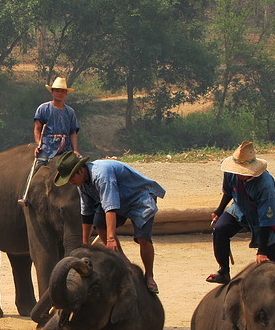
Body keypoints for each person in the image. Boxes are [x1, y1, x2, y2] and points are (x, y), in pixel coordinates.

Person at [54, 151, 166, 294]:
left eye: (71, 178)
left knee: (143, 238)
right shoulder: (81, 184)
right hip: (117, 199)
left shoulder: (102, 175)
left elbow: (110, 206)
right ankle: (126, 265)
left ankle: (149, 276)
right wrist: (84, 243)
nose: (71, 182)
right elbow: (87, 212)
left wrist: (111, 238)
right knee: (99, 224)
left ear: (81, 170)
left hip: (138, 197)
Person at [206, 141, 275, 284]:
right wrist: (219, 211)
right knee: (220, 230)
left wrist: (262, 251)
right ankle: (223, 271)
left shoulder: (265, 185)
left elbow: (267, 220)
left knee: (272, 266)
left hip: (263, 217)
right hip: (240, 208)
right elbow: (228, 192)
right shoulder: (231, 173)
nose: (239, 174)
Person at [19, 76, 80, 204]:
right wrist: (38, 144)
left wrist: (75, 150)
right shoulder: (43, 109)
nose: (60, 93)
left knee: (79, 168)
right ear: (52, 92)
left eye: (63, 91)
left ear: (66, 93)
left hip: (65, 147)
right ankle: (26, 195)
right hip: (47, 146)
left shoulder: (70, 112)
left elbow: (73, 132)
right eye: (57, 90)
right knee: (37, 167)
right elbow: (37, 129)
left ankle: (83, 197)